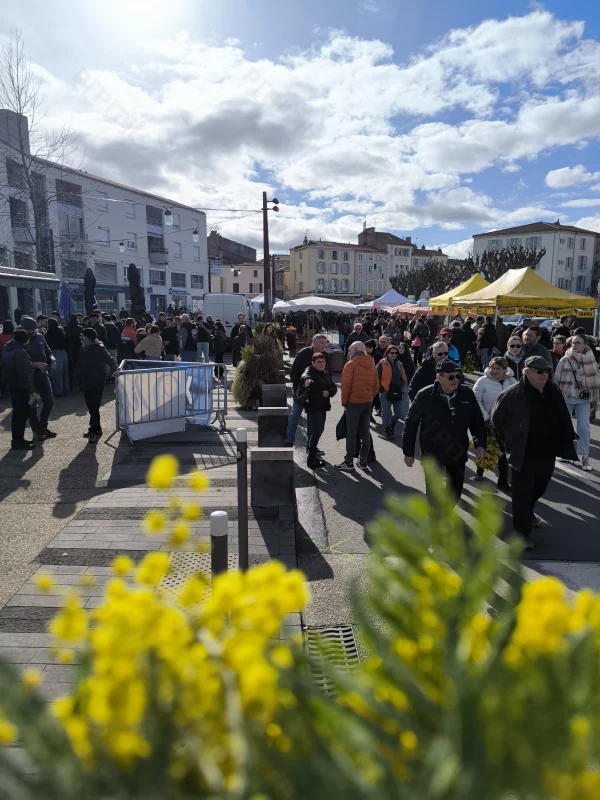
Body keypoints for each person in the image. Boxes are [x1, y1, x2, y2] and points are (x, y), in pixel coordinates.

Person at [492, 356, 578, 550]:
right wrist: (510, 442)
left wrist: (567, 436)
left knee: (539, 487)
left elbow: (563, 414)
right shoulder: (512, 394)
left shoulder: (553, 390)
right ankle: (522, 534)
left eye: (547, 371)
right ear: (527, 372)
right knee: (521, 493)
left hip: (547, 451)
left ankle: (528, 512)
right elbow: (497, 420)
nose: (544, 374)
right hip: (523, 453)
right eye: (539, 371)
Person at [402, 360, 487, 503]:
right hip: (432, 453)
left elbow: (477, 420)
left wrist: (480, 443)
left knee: (454, 492)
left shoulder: (467, 394)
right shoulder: (424, 396)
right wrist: (408, 452)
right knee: (434, 492)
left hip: (458, 451)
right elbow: (410, 424)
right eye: (451, 377)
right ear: (439, 377)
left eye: (458, 376)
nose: (456, 380)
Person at [554, 334, 600, 472]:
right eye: (573, 342)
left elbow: (596, 379)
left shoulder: (591, 359)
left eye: (578, 343)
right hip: (566, 397)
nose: (574, 345)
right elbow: (556, 379)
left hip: (583, 400)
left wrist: (593, 396)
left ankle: (585, 457)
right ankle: (564, 453)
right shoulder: (565, 358)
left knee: (584, 428)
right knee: (563, 427)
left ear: (585, 344)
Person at [473, 356, 516, 490]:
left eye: (498, 369)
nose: (495, 371)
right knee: (484, 447)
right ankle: (480, 471)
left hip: (505, 424)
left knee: (502, 452)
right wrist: (485, 417)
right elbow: (476, 401)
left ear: (505, 369)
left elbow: (518, 400)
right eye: (492, 368)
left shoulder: (512, 381)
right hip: (486, 422)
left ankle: (502, 481)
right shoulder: (482, 381)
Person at [335, 341, 379, 471]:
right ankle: (363, 461)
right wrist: (370, 396)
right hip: (367, 402)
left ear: (355, 349)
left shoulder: (350, 365)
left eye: (350, 349)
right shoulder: (371, 364)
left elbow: (345, 387)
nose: (348, 352)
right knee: (365, 432)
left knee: (352, 432)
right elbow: (376, 386)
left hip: (354, 403)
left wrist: (345, 402)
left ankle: (349, 462)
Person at [286, 334, 330, 447]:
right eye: (321, 343)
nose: (324, 345)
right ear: (314, 342)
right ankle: (289, 441)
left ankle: (311, 446)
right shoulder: (303, 353)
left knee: (313, 420)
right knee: (295, 415)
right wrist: (297, 388)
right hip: (301, 391)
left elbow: (328, 374)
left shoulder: (325, 355)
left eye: (325, 343)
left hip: (316, 394)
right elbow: (294, 372)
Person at [78, 328, 120, 444]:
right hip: (85, 380)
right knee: (91, 407)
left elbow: (110, 360)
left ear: (89, 338)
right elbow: (79, 363)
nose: (80, 337)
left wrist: (116, 370)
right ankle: (97, 429)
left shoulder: (100, 348)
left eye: (82, 335)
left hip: (97, 381)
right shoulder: (82, 347)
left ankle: (93, 431)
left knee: (94, 406)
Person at [297, 351, 338, 469]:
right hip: (313, 407)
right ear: (313, 363)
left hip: (322, 407)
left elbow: (333, 387)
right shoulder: (310, 371)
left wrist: (328, 392)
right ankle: (311, 459)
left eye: (323, 362)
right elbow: (305, 374)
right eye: (319, 362)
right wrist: (307, 379)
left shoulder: (324, 373)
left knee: (314, 431)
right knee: (316, 431)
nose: (322, 364)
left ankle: (312, 453)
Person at [20, 316, 56, 441]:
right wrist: (34, 364)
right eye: (30, 330)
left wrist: (52, 359)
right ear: (24, 328)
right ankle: (36, 431)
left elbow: (48, 350)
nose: (33, 332)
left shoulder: (40, 336)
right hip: (31, 377)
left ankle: (43, 426)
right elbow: (20, 361)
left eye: (34, 329)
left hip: (43, 374)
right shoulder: (20, 340)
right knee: (32, 405)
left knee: (50, 401)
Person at [3, 329, 38, 450]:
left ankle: (18, 439)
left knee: (17, 414)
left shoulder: (9, 348)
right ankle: (18, 441)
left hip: (13, 385)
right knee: (21, 415)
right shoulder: (20, 352)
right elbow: (24, 375)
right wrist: (31, 391)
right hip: (21, 387)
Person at [377, 344, 409, 439]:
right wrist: (380, 388)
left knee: (399, 413)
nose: (394, 354)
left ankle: (390, 425)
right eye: (392, 353)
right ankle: (388, 430)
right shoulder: (381, 363)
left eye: (396, 353)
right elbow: (375, 377)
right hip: (385, 392)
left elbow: (403, 377)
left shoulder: (399, 364)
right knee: (386, 412)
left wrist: (403, 386)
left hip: (397, 392)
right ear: (387, 353)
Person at [45, 318, 69, 397]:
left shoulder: (49, 333)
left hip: (55, 352)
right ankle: (66, 390)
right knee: (65, 373)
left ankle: (59, 392)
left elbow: (48, 344)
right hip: (63, 352)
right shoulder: (62, 330)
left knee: (57, 374)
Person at [64, 314, 83, 388]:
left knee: (70, 368)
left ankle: (70, 384)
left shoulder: (65, 328)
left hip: (69, 349)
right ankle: (81, 383)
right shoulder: (80, 328)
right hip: (79, 349)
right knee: (80, 367)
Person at [0, 320, 14, 396]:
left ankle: (4, 392)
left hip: (3, 360)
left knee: (3, 377)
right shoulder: (15, 335)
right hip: (15, 360)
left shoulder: (1, 336)